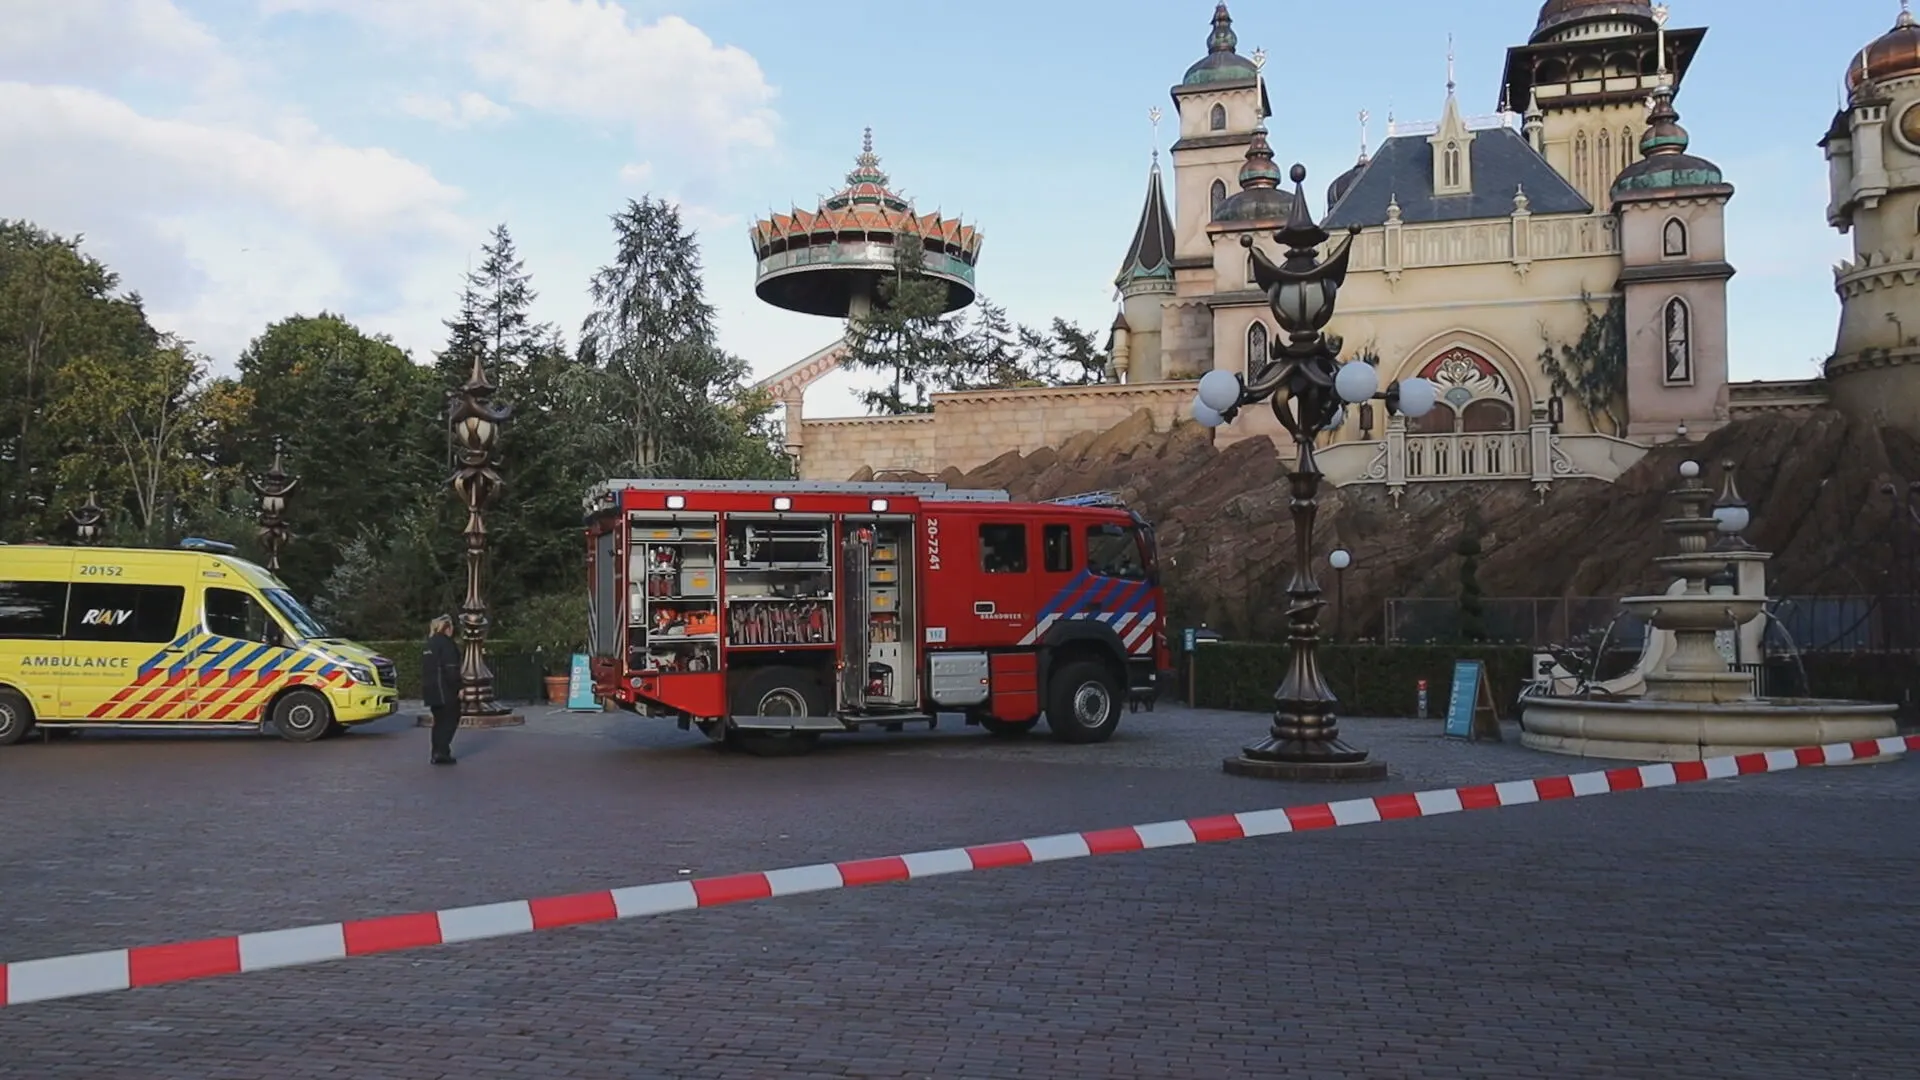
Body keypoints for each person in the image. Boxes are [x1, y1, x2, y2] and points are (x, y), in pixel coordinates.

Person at [422, 615, 462, 765]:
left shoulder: (429, 644)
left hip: (431, 689)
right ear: (447, 628)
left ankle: (436, 751)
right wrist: (458, 687)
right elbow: (451, 668)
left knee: (438, 722)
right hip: (445, 689)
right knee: (450, 719)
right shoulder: (447, 644)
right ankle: (442, 752)